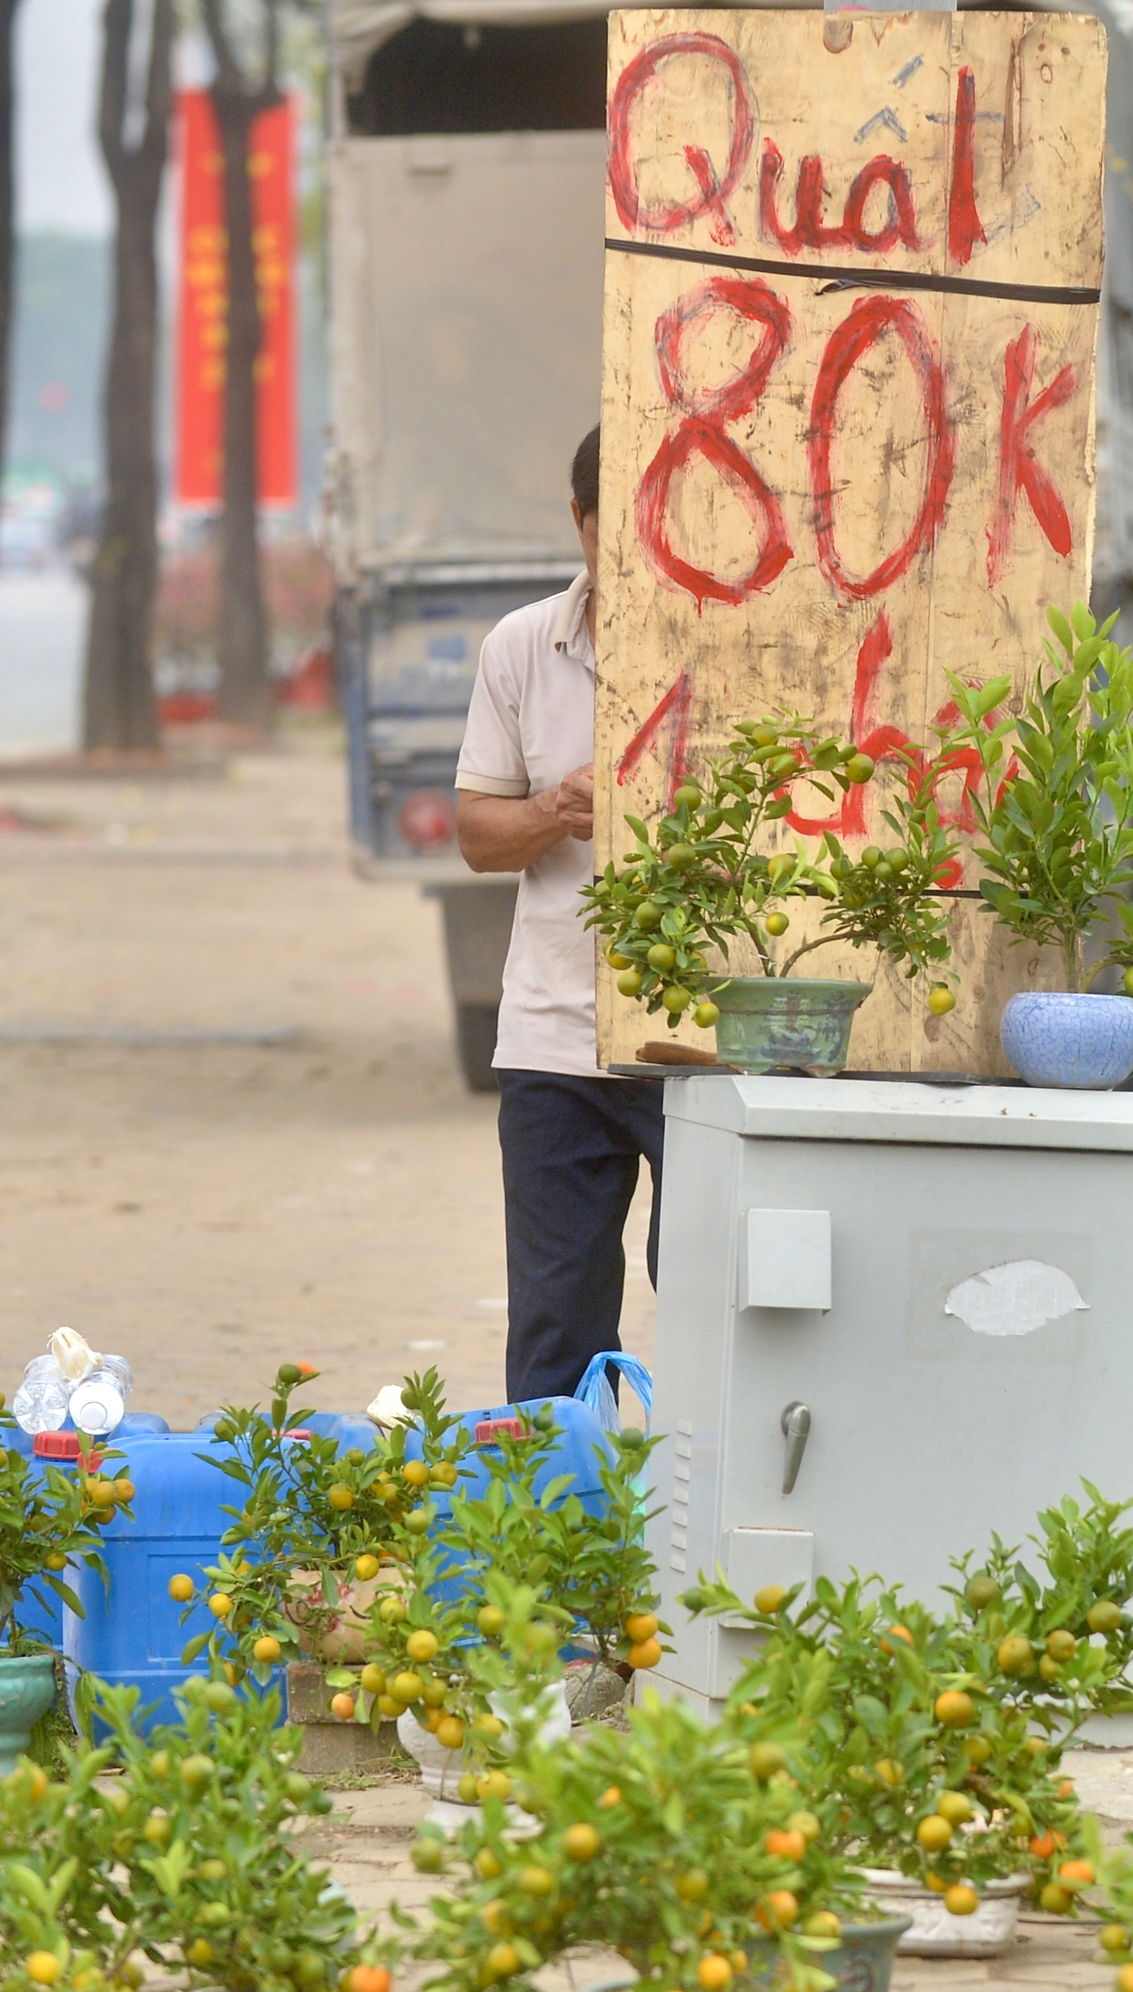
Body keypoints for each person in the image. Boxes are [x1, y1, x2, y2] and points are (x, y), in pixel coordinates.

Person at [455, 427, 662, 1403]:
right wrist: (548, 810)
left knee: (724, 1296)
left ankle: (703, 1530)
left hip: (706, 1036)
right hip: (553, 1039)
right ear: (577, 522)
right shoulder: (521, 647)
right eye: (609, 530)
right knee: (556, 1317)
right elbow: (475, 834)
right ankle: (557, 1540)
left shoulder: (749, 649)